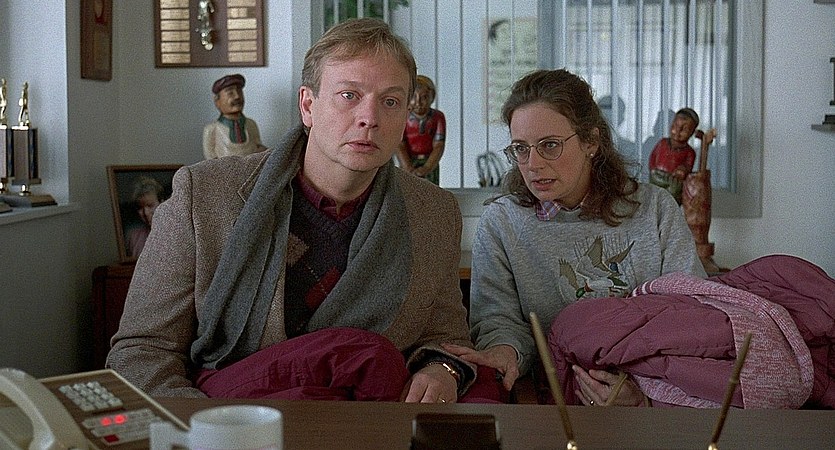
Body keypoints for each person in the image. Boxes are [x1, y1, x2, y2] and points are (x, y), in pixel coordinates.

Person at [107, 17, 481, 404]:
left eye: (390, 101)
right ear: (307, 105)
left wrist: (443, 369)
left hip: (372, 419)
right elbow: (142, 350)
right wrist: (210, 426)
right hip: (232, 415)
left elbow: (446, 338)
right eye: (349, 95)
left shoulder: (434, 212)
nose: (370, 118)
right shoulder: (202, 196)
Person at [444, 69, 706, 406]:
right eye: (521, 149)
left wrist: (644, 398)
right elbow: (499, 320)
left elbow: (692, 319)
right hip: (551, 401)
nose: (533, 164)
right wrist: (504, 351)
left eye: (550, 145)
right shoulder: (501, 222)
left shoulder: (655, 208)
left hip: (650, 399)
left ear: (590, 142)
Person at [395, 75, 446, 185]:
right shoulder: (403, 116)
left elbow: (439, 145)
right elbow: (400, 144)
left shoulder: (438, 117)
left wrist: (427, 167)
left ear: (432, 97)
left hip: (430, 161)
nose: (418, 102)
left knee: (430, 190)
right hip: (408, 160)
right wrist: (407, 167)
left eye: (424, 97)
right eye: (414, 97)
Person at [202, 73, 266, 159]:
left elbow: (259, 150)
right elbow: (210, 159)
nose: (237, 96)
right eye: (230, 93)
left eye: (239, 91)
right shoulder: (212, 130)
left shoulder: (251, 124)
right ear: (217, 101)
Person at [647, 107, 700, 204]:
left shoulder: (689, 152)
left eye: (684, 129)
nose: (678, 131)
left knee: (674, 189)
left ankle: (669, 206)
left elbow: (688, 167)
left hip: (674, 180)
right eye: (675, 126)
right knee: (655, 190)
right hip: (657, 175)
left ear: (692, 132)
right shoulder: (662, 143)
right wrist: (653, 168)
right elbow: (653, 157)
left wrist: (682, 170)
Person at [125, 176, 164, 258]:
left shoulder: (176, 232)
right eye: (140, 208)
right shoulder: (134, 238)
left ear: (162, 203)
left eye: (150, 206)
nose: (146, 213)